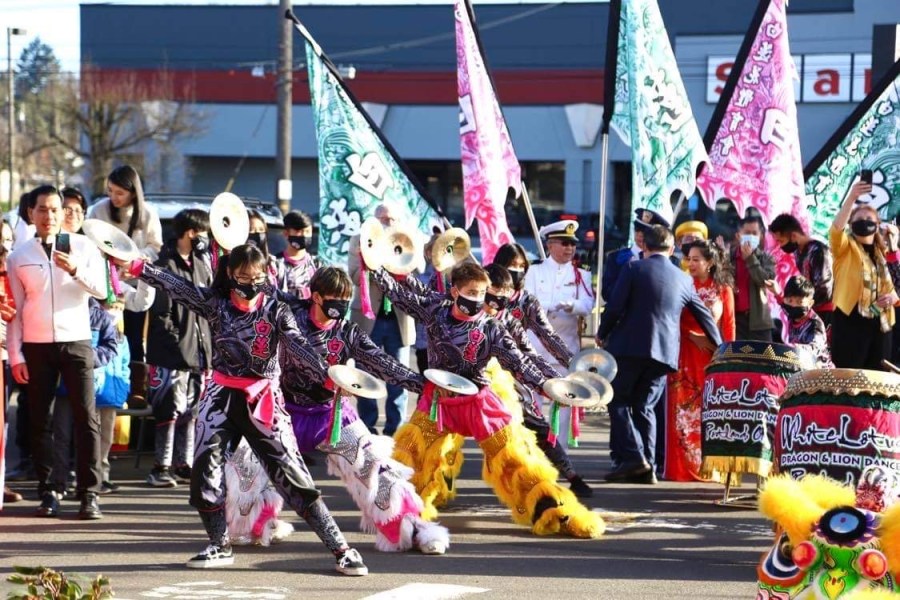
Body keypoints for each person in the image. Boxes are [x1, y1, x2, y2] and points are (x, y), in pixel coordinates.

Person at [126, 244, 368, 574]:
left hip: (263, 399)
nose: (250, 284)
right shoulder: (216, 304)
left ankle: (341, 548)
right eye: (242, 277)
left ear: (265, 276)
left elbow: (298, 344)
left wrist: (327, 373)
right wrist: (142, 268)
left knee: (293, 476)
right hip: (220, 394)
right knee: (204, 468)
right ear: (229, 275)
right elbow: (179, 287)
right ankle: (218, 544)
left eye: (257, 277)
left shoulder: (276, 311)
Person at [371, 261, 604, 538]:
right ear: (455, 292)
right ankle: (404, 514)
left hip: (479, 403)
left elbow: (520, 363)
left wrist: (547, 387)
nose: (478, 299)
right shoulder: (435, 309)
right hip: (439, 402)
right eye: (472, 291)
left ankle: (550, 508)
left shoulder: (492, 328)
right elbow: (400, 296)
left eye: (482, 292)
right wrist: (375, 265)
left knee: (514, 456)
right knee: (411, 453)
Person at [238, 266, 450, 554]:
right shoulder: (288, 314)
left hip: (331, 414)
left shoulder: (347, 333)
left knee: (373, 465)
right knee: (247, 459)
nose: (340, 304)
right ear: (315, 296)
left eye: (345, 299)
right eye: (334, 298)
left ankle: (411, 528)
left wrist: (422, 384)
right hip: (283, 411)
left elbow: (382, 363)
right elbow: (258, 288)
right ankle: (255, 524)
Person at [8, 185, 108, 519]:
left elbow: (102, 291)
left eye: (55, 210)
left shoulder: (82, 246)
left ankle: (89, 493)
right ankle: (49, 489)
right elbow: (16, 312)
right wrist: (17, 355)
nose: (49, 216)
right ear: (30, 214)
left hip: (77, 340)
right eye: (42, 210)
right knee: (40, 419)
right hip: (36, 345)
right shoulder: (19, 256)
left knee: (85, 417)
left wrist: (75, 269)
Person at [597, 225, 722, 484]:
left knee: (617, 400)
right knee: (645, 406)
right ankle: (649, 466)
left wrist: (601, 332)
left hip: (630, 348)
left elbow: (615, 306)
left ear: (644, 247)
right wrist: (720, 347)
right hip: (664, 354)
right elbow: (705, 317)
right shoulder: (683, 279)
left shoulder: (633, 268)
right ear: (673, 249)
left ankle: (635, 458)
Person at [483, 263, 592, 498]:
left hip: (508, 387)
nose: (497, 305)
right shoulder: (456, 313)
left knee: (536, 428)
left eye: (504, 297)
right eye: (492, 296)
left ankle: (566, 477)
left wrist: (556, 382)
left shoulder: (512, 320)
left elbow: (530, 355)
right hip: (464, 388)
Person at [145, 209, 213, 487]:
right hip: (170, 354)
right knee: (168, 410)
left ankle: (184, 464)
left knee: (192, 411)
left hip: (199, 353)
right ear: (190, 233)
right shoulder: (165, 265)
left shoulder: (201, 264)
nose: (206, 239)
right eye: (203, 233)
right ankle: (160, 466)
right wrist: (178, 344)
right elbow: (161, 315)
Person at [664, 240, 735, 482]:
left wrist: (726, 356)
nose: (691, 264)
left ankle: (710, 467)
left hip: (712, 357)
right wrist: (692, 335)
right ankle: (680, 469)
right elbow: (671, 316)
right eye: (689, 259)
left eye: (696, 259)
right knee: (682, 412)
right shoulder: (683, 283)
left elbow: (729, 326)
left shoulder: (722, 289)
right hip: (685, 353)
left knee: (709, 411)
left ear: (710, 262)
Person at [524, 220, 594, 454]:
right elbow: (526, 301)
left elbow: (588, 303)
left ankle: (559, 451)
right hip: (536, 346)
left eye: (573, 244)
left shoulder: (580, 274)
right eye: (564, 243)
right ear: (550, 244)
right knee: (532, 402)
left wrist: (572, 306)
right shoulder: (534, 271)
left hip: (565, 347)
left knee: (563, 402)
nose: (569, 249)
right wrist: (550, 305)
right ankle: (533, 450)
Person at [348, 203, 415, 436]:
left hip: (399, 319)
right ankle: (367, 427)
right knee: (366, 374)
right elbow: (355, 277)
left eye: (392, 220)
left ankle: (395, 430)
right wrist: (371, 261)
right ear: (374, 221)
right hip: (369, 319)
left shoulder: (406, 241)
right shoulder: (359, 240)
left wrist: (400, 259)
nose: (387, 224)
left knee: (399, 377)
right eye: (383, 219)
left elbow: (419, 269)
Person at [88, 165, 163, 362]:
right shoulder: (98, 210)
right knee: (102, 337)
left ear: (133, 193)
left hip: (136, 286)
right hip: (103, 286)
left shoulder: (148, 214)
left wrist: (132, 261)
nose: (114, 197)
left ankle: (134, 385)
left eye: (120, 193)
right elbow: (89, 243)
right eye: (110, 191)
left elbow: (155, 247)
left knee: (134, 338)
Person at [51, 298, 122, 498]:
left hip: (90, 386)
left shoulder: (101, 317)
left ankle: (88, 484)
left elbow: (111, 348)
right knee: (61, 436)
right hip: (62, 386)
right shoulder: (59, 313)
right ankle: (59, 482)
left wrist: (85, 358)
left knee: (89, 433)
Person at [830, 179, 898, 370]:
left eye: (869, 219)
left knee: (878, 382)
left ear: (877, 225)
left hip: (881, 325)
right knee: (849, 378)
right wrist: (852, 197)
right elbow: (836, 230)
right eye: (859, 219)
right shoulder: (844, 249)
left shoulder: (883, 253)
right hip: (850, 321)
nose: (864, 222)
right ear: (851, 224)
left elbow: (895, 288)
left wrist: (893, 297)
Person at [768, 213, 834, 326]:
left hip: (825, 315)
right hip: (810, 312)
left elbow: (824, 290)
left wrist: (800, 305)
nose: (779, 245)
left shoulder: (818, 251)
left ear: (793, 236)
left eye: (781, 241)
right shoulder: (799, 252)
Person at [602, 208, 670, 301]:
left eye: (645, 232)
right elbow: (606, 293)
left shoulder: (666, 261)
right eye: (637, 229)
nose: (640, 235)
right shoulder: (616, 258)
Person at [729, 215, 775, 341]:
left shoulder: (766, 259)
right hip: (735, 321)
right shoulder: (728, 258)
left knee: (763, 359)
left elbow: (765, 281)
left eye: (755, 233)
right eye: (747, 233)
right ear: (738, 235)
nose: (751, 237)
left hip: (759, 322)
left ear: (760, 236)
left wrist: (750, 259)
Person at [781, 275, 832, 368]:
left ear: (810, 303)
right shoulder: (791, 316)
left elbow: (816, 348)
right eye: (790, 300)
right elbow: (782, 305)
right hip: (798, 367)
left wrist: (791, 348)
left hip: (819, 372)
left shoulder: (815, 324)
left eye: (799, 302)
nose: (793, 305)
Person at [277, 210, 319, 299]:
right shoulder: (275, 264)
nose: (304, 235)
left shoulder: (317, 264)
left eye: (307, 231)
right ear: (286, 233)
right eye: (298, 231)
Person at [246, 209, 283, 287]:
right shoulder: (231, 264)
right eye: (251, 230)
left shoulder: (274, 264)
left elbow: (282, 293)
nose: (258, 234)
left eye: (261, 230)